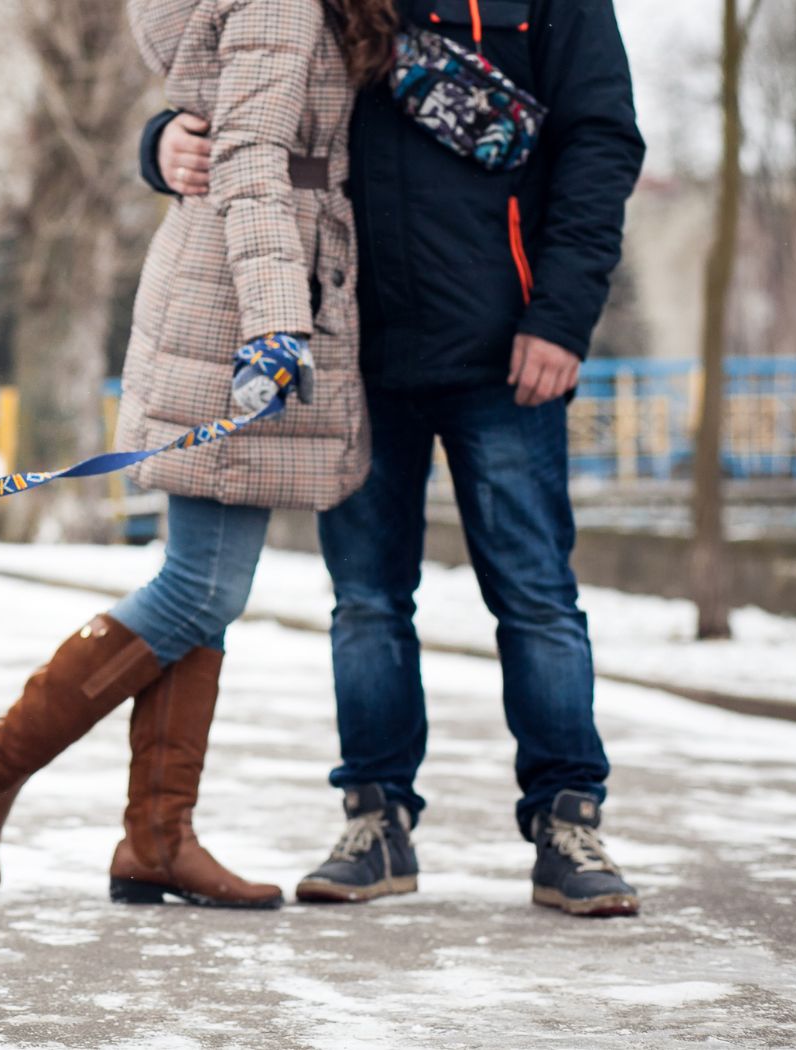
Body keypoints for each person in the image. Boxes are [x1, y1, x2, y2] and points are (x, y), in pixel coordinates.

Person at [141, 0, 646, 916]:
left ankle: (568, 822)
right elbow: (245, 95)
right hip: (351, 350)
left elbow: (602, 137)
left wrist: (562, 316)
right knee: (366, 605)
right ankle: (376, 821)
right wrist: (163, 142)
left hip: (508, 349)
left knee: (535, 597)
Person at [0, 0, 400, 909]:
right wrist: (274, 318)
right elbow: (256, 155)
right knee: (199, 588)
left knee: (203, 587)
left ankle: (155, 839)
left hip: (241, 277)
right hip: (242, 297)